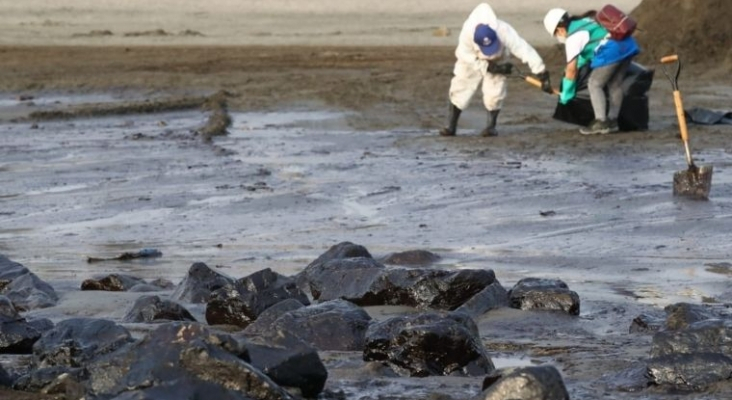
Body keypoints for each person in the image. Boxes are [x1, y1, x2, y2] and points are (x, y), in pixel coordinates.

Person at [440, 3, 551, 137]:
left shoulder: (503, 30)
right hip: (472, 59)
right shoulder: (467, 33)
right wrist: (488, 67)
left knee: (495, 92)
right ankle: (451, 125)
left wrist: (541, 72)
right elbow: (463, 54)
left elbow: (522, 48)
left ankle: (491, 127)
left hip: (499, 57)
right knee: (461, 87)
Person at [543, 8, 640, 135]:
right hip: (627, 45)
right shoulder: (586, 21)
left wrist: (566, 94)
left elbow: (571, 70)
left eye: (556, 34)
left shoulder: (573, 38)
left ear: (560, 29)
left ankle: (600, 122)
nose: (558, 37)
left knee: (594, 83)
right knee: (615, 84)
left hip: (612, 50)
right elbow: (582, 58)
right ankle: (612, 121)